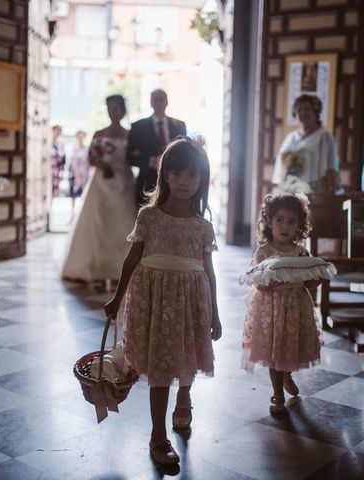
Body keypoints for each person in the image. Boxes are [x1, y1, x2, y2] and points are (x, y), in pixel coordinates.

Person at [104, 137, 222, 466]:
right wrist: (118, 297)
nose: (185, 182)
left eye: (193, 175)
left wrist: (215, 313)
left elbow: (209, 273)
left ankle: (184, 396)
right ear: (165, 175)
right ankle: (158, 437)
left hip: (191, 298)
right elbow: (131, 260)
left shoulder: (202, 226)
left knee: (185, 352)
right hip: (153, 300)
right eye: (178, 173)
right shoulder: (149, 217)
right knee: (160, 365)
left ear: (202, 180)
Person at [241, 192, 323, 415]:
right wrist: (275, 281)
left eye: (291, 221)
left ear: (299, 224)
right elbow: (259, 284)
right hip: (272, 309)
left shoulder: (301, 252)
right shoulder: (264, 252)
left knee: (290, 346)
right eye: (280, 220)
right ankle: (277, 393)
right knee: (274, 350)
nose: (285, 226)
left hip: (296, 307)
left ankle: (288, 374)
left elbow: (309, 282)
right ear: (269, 221)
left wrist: (317, 278)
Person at [60, 95, 135, 288]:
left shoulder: (130, 134)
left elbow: (134, 157)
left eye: (116, 108)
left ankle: (122, 268)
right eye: (110, 108)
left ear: (123, 110)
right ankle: (96, 268)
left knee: (123, 222)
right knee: (99, 223)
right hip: (103, 181)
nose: (113, 112)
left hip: (124, 182)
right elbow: (90, 159)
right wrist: (102, 164)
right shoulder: (99, 133)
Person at [126, 89, 186, 207]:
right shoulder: (138, 126)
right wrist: (149, 161)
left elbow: (184, 153)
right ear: (151, 103)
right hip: (147, 183)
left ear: (167, 102)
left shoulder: (179, 125)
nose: (158, 103)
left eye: (161, 99)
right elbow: (129, 157)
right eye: (155, 100)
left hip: (173, 183)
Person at [272, 94, 342, 194]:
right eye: (299, 110)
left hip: (316, 191)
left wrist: (331, 192)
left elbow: (331, 167)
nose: (303, 113)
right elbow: (281, 165)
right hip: (291, 190)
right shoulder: (290, 138)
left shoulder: (325, 136)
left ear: (315, 112)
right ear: (295, 115)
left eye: (307, 109)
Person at [68, 130, 89, 219]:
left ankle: (82, 215)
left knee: (84, 196)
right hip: (74, 175)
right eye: (78, 136)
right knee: (73, 196)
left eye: (82, 136)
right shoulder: (74, 149)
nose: (80, 138)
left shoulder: (87, 149)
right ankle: (72, 215)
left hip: (84, 176)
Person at [50, 124, 65, 199]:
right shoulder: (47, 143)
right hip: (48, 171)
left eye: (59, 132)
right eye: (56, 131)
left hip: (56, 172)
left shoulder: (60, 145)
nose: (57, 133)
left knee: (53, 191)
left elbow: (63, 159)